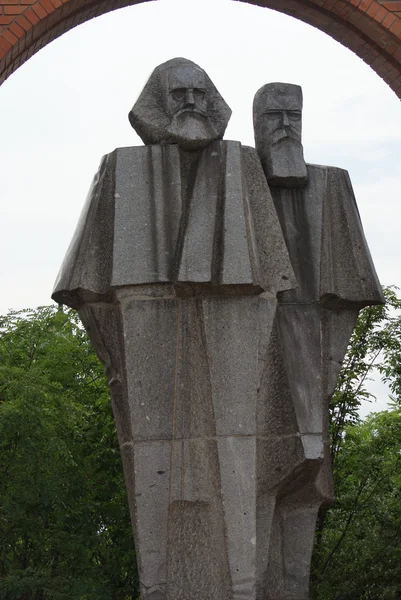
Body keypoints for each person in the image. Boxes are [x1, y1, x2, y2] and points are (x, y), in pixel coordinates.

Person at [53, 59, 296, 600]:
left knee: (238, 451)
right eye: (178, 93)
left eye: (199, 92)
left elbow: (272, 282)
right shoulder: (120, 167)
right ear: (155, 103)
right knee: (152, 451)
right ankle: (157, 585)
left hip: (236, 310)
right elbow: (86, 288)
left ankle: (240, 587)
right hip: (140, 307)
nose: (191, 102)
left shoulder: (241, 163)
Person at [253, 82, 384, 598]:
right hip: (258, 364)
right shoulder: (237, 182)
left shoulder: (328, 187)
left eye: (294, 114)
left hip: (308, 363)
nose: (286, 125)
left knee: (304, 482)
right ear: (256, 123)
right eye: (274, 116)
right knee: (261, 484)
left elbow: (349, 297)